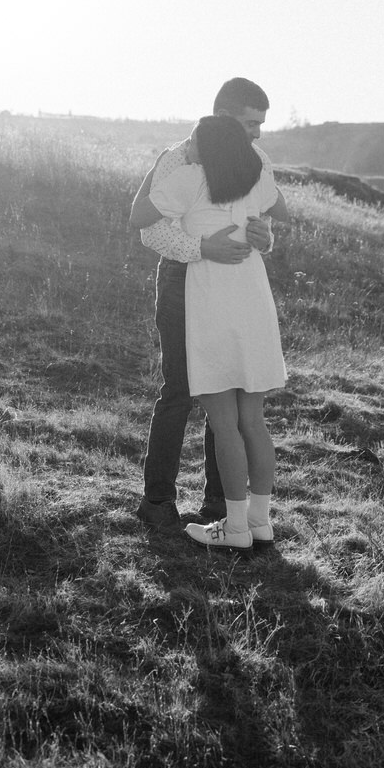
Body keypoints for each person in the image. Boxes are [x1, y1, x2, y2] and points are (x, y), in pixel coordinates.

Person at [131, 113, 289, 550]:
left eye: (195, 143)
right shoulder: (254, 175)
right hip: (253, 300)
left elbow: (137, 216)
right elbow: (280, 207)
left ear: (210, 148)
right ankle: (259, 521)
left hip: (212, 306)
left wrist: (166, 175)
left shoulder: (190, 178)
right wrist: (255, 225)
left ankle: (234, 528)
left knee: (223, 421)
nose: (188, 148)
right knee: (252, 421)